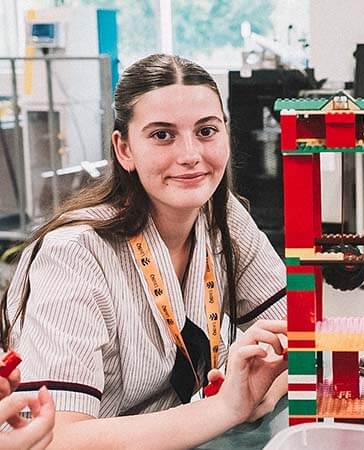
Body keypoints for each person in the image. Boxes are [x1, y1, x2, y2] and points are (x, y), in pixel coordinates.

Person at [0, 54, 288, 449]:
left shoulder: (223, 217)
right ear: (124, 150)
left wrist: (259, 391)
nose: (190, 155)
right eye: (162, 135)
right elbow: (55, 438)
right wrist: (226, 408)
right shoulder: (73, 253)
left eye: (206, 131)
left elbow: (304, 342)